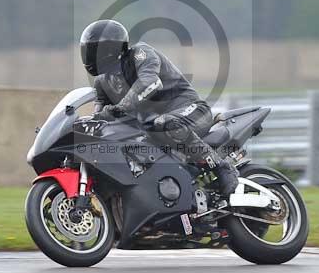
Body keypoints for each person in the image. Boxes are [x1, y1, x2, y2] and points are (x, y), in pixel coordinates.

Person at [79, 19, 239, 196]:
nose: (89, 54)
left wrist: (122, 107)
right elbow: (100, 115)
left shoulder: (140, 54)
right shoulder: (102, 81)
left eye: (93, 49)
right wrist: (82, 126)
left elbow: (151, 82)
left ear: (109, 48)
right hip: (152, 129)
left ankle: (221, 167)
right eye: (87, 49)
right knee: (134, 149)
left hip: (191, 110)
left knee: (164, 123)